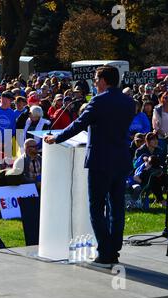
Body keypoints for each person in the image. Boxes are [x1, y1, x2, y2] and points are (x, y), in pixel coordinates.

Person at [44, 65, 135, 267]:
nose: (94, 83)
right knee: (117, 208)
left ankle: (105, 251)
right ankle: (114, 249)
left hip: (101, 161)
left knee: (96, 207)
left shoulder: (99, 101)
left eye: (95, 79)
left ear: (104, 80)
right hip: (120, 160)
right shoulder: (129, 102)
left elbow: (79, 124)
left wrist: (56, 138)